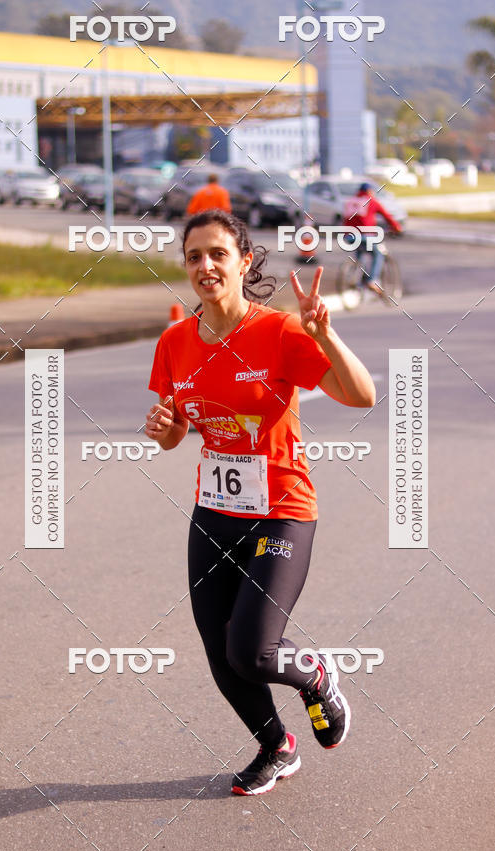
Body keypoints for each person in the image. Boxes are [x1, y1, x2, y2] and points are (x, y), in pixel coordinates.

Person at [145, 210, 375, 796]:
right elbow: (176, 431)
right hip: (215, 514)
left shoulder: (279, 332)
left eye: (218, 254)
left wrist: (324, 335)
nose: (205, 266)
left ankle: (315, 675)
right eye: (194, 256)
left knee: (252, 650)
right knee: (219, 649)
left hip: (282, 510)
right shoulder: (174, 342)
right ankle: (277, 747)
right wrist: (165, 428)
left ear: (244, 262)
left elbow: (362, 396)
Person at [343, 182, 403, 295]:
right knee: (378, 254)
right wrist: (396, 227)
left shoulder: (350, 201)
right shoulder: (372, 201)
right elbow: (387, 216)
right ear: (369, 191)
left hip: (349, 235)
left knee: (360, 253)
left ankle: (356, 275)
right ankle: (372, 280)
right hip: (365, 235)